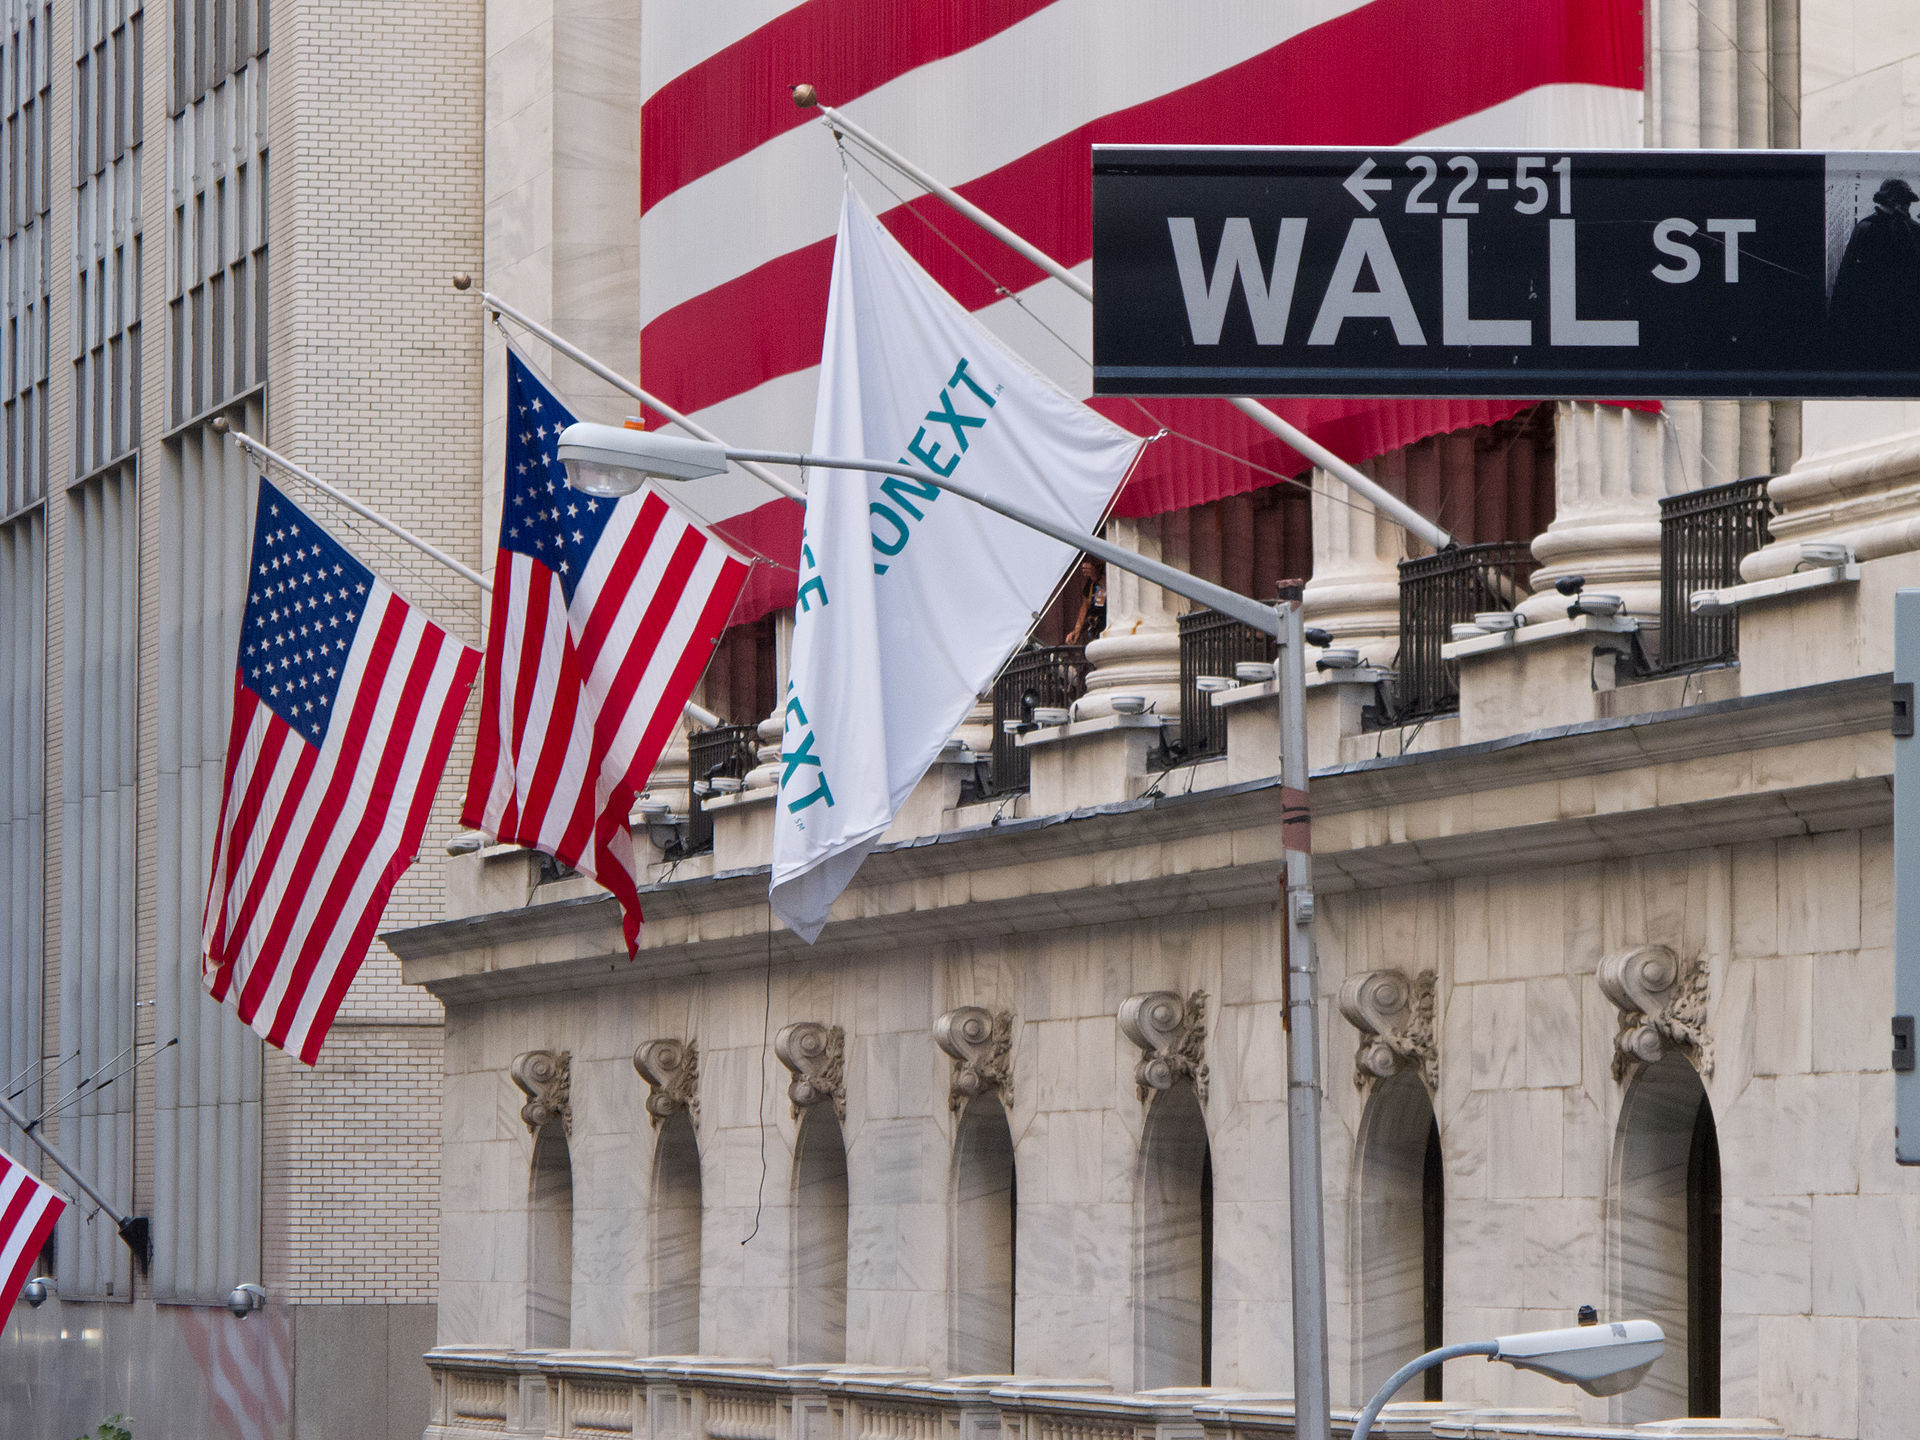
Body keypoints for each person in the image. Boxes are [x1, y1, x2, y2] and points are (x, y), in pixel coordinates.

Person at [1828, 177, 1920, 372]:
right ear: (1893, 201)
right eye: (1904, 201)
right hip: (1876, 312)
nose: (1907, 206)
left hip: (1898, 312)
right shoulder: (1870, 228)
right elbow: (1848, 275)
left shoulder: (1907, 229)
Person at [1064, 556, 1106, 644]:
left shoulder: (1112, 571)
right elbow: (1085, 604)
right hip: (1096, 631)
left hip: (1109, 628)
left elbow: (1114, 589)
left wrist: (1098, 578)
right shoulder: (1092, 580)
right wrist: (1077, 630)